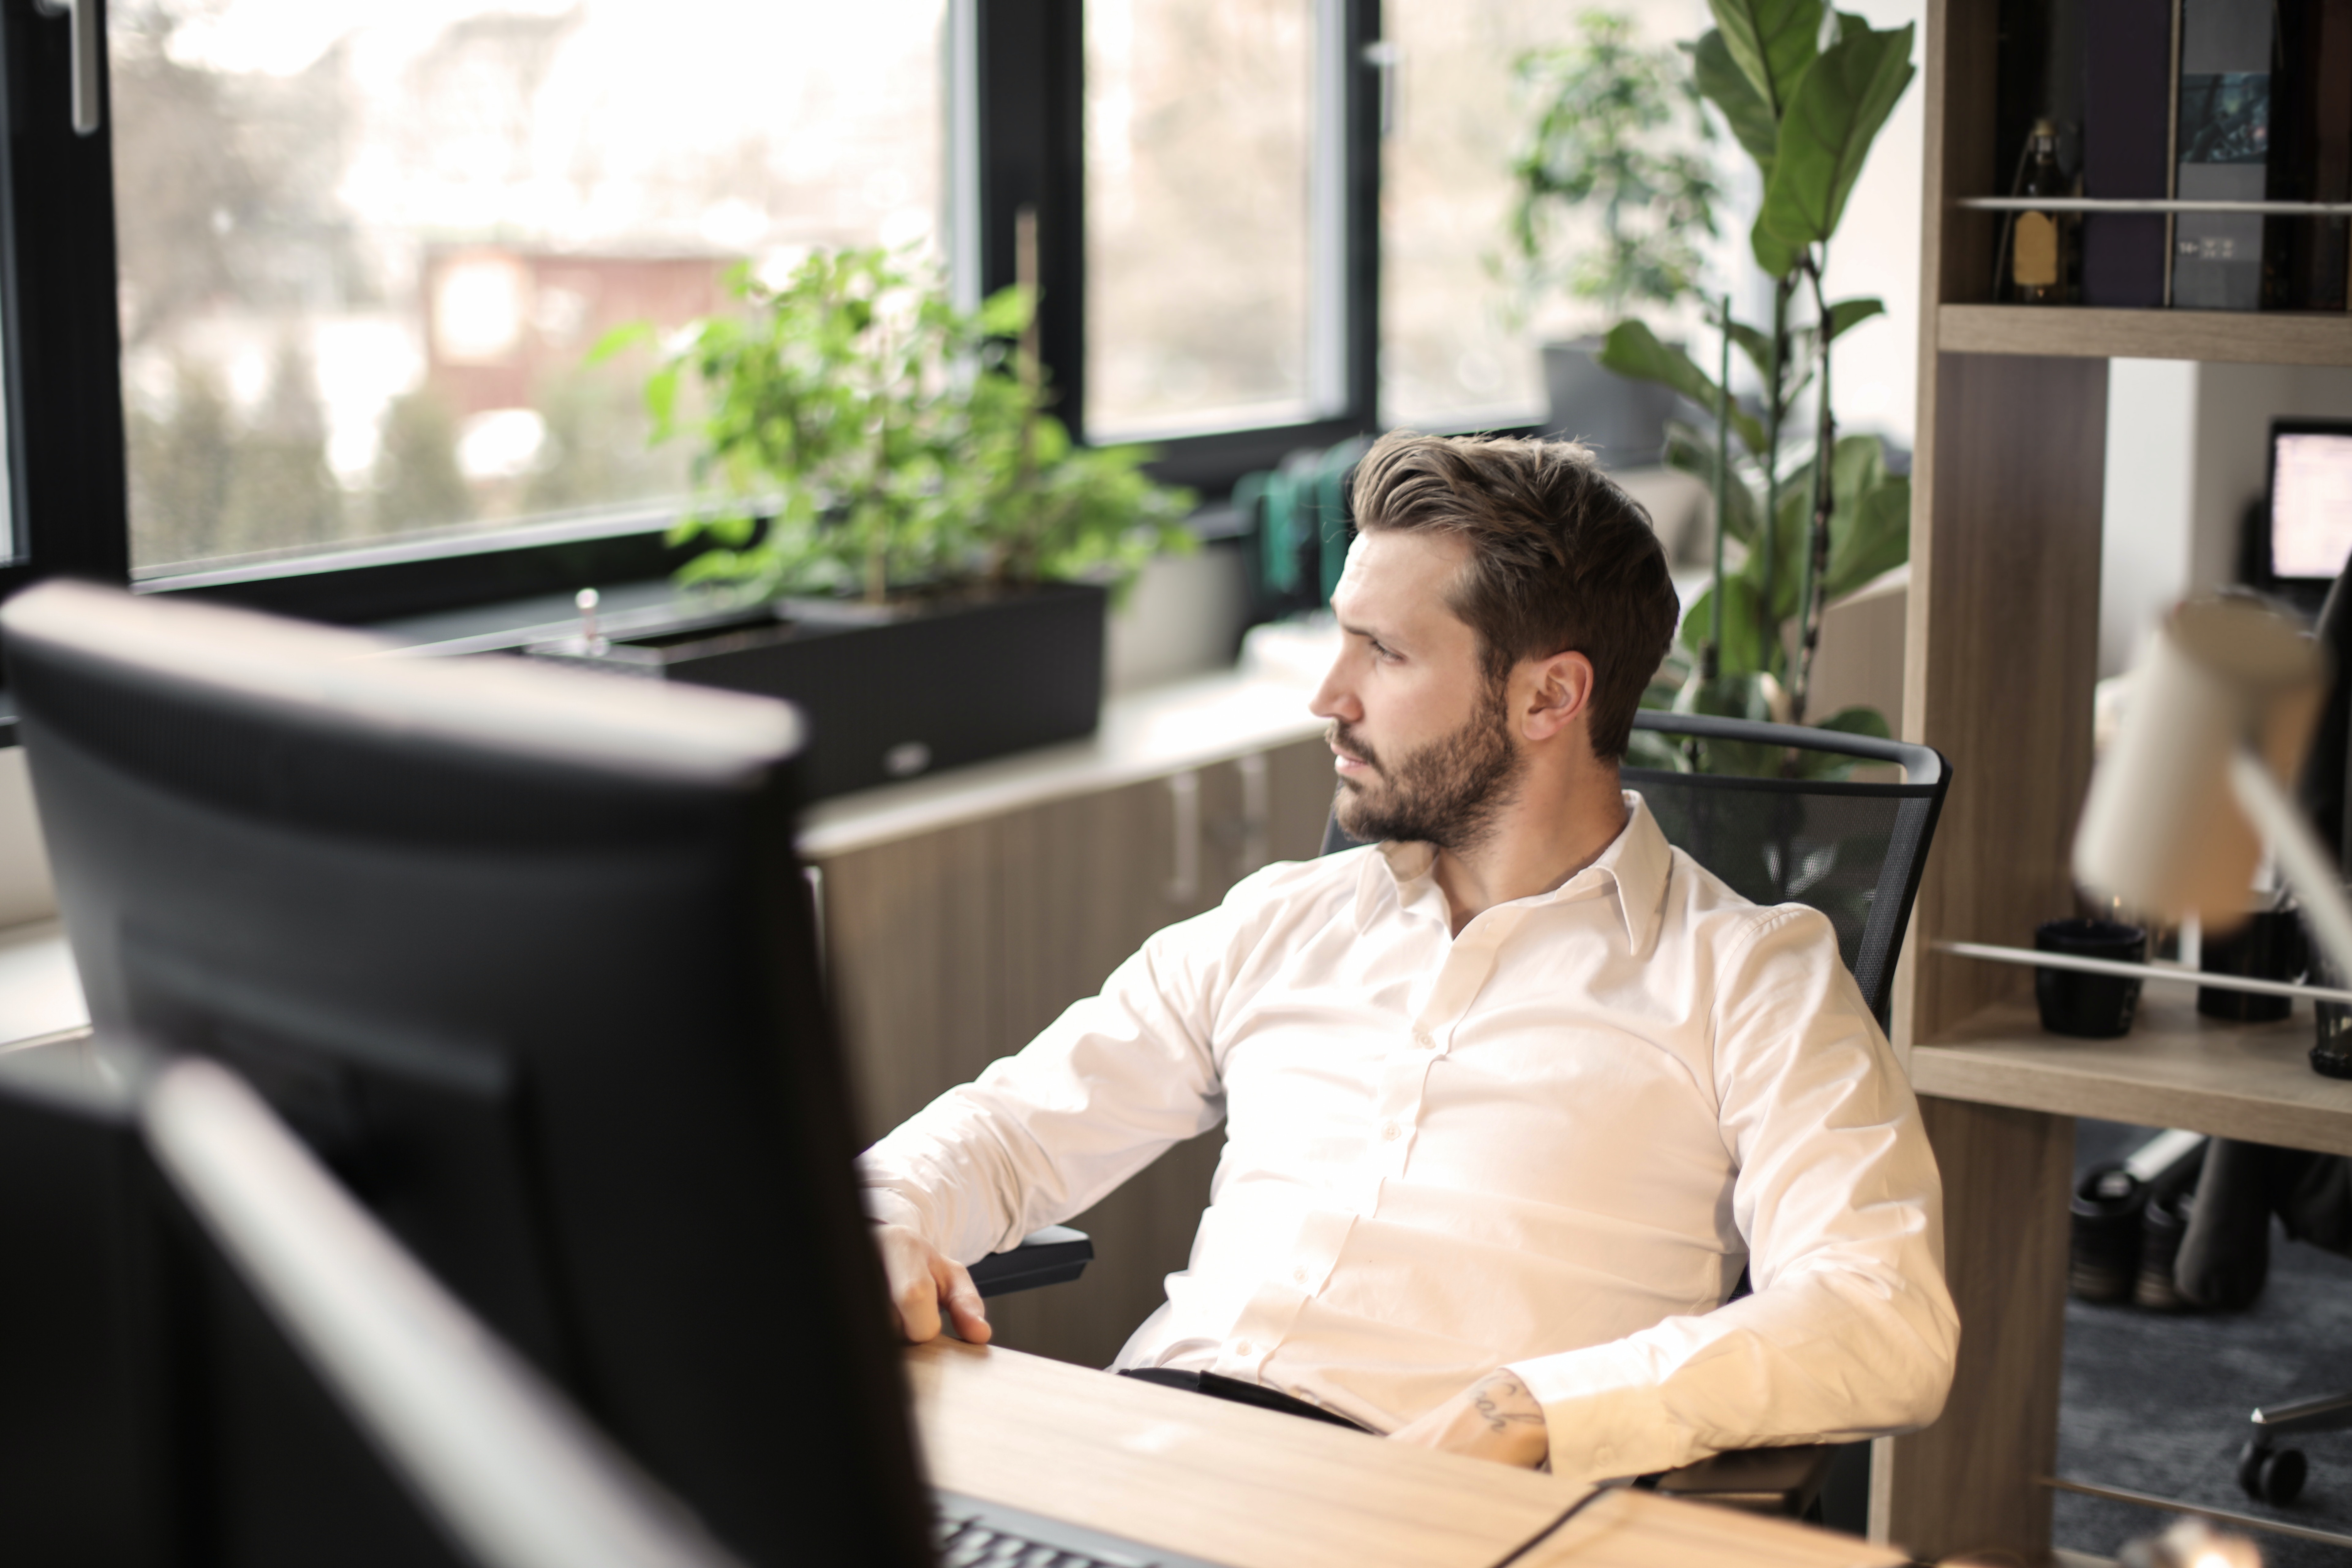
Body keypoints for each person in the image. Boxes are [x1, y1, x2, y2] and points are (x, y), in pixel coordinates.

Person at [859, 432, 1958, 1483]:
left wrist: (1531, 1409)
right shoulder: (1283, 920)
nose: (1328, 697)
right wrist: (892, 1214)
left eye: (1382, 652)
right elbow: (1009, 1131)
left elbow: (1880, 1312)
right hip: (1152, 1457)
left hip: (1417, 1503)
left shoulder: (1751, 979)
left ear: (1550, 696)